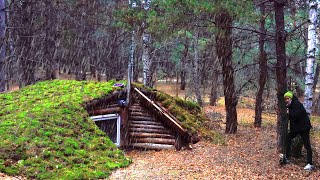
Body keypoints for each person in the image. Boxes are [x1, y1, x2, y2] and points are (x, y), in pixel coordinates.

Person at [281, 91, 314, 170]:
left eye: (288, 98)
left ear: (291, 98)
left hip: (304, 128)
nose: (286, 100)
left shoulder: (297, 104)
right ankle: (287, 157)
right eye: (285, 99)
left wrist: (288, 112)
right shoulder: (290, 106)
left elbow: (296, 116)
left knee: (307, 145)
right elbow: (291, 118)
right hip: (297, 128)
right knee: (288, 138)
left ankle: (310, 163)